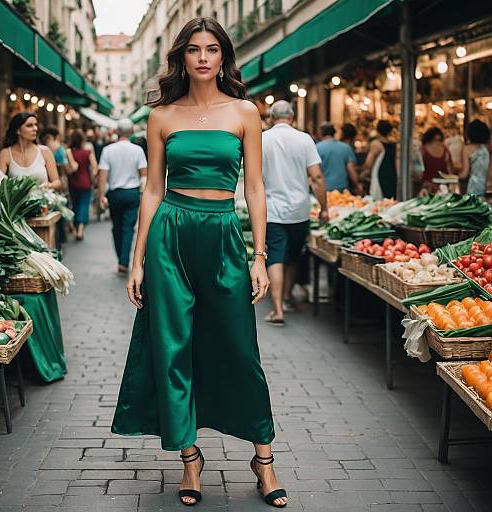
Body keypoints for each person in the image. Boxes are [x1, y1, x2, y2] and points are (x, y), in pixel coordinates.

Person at [111, 17, 287, 508]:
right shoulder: (162, 115)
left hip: (224, 234)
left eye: (212, 49)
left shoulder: (245, 112)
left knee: (239, 348)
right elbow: (151, 190)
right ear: (182, 58)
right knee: (174, 348)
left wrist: (258, 254)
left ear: (223, 57)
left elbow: (254, 189)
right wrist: (138, 257)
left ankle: (264, 460)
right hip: (171, 232)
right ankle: (190, 459)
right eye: (194, 49)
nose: (204, 57)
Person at [262, 101, 328, 325]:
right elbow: (317, 178)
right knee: (292, 256)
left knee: (276, 256)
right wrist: (324, 208)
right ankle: (287, 296)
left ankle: (278, 308)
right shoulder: (304, 139)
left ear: (272, 117)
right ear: (291, 116)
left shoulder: (263, 139)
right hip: (300, 209)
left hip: (272, 210)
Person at [97, 119, 147, 274]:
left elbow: (102, 176)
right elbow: (144, 175)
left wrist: (101, 196)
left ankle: (121, 258)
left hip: (114, 193)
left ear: (117, 132)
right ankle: (124, 260)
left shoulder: (108, 150)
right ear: (131, 132)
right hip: (132, 193)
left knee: (116, 226)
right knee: (128, 227)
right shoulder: (138, 150)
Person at [0, 113, 61, 190]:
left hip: (43, 200)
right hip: (17, 202)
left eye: (36, 125)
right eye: (29, 125)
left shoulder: (45, 151)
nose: (35, 128)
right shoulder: (5, 154)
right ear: (18, 130)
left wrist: (48, 186)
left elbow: (57, 182)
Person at [315, 122, 363, 194]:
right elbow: (351, 170)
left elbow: (314, 170)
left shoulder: (317, 148)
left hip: (323, 188)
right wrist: (357, 185)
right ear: (334, 133)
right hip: (342, 188)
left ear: (321, 133)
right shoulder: (345, 148)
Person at [68, 129, 98, 241]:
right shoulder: (88, 152)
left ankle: (76, 229)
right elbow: (95, 167)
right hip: (86, 182)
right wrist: (93, 176)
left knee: (75, 205)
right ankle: (80, 230)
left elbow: (69, 168)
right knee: (84, 205)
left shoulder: (69, 152)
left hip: (73, 182)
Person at [362, 120, 398, 199]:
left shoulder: (376, 144)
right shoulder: (394, 144)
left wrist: (363, 174)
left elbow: (368, 163)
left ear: (377, 130)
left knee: (378, 201)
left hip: (380, 175)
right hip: (392, 174)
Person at [460, 119, 491, 196]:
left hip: (474, 186)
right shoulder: (487, 148)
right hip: (487, 185)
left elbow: (465, 174)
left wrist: (457, 177)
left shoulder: (467, 149)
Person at [420, 127, 453, 193]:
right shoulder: (445, 150)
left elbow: (419, 171)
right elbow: (450, 169)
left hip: (427, 186)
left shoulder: (423, 150)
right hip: (443, 186)